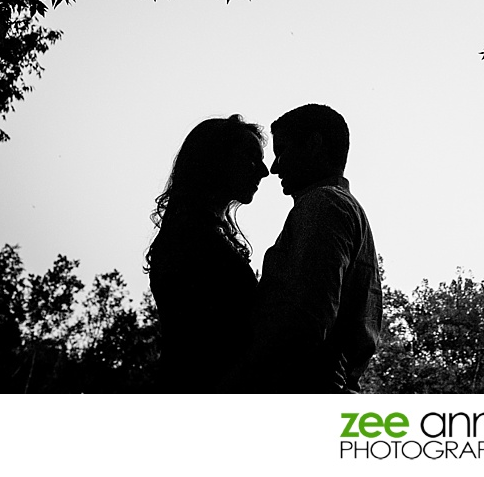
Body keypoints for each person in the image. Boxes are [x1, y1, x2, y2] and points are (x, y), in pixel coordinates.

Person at [253, 104, 382, 393]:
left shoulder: (323, 205)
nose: (275, 168)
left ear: (314, 144)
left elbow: (309, 318)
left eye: (282, 151)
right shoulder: (343, 207)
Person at [146, 114, 269, 392]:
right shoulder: (193, 239)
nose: (264, 171)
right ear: (216, 161)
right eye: (251, 157)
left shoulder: (197, 232)